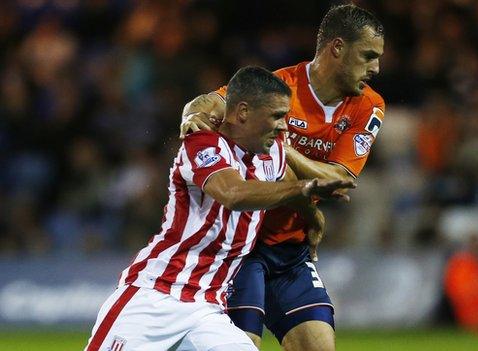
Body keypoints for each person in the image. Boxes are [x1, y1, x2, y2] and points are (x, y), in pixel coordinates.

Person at [85, 66, 354, 351]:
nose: (283, 126)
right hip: (156, 295)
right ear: (242, 112)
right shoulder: (203, 143)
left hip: (208, 309)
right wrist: (305, 188)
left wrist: (313, 216)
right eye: (276, 116)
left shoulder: (272, 152)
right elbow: (233, 193)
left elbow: (286, 185)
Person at [179, 4, 385, 350]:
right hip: (242, 246)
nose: (376, 68)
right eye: (367, 56)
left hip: (291, 249)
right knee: (240, 345)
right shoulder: (277, 89)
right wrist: (192, 114)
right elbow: (207, 105)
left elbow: (339, 178)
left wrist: (279, 145)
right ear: (337, 48)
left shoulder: (368, 106)